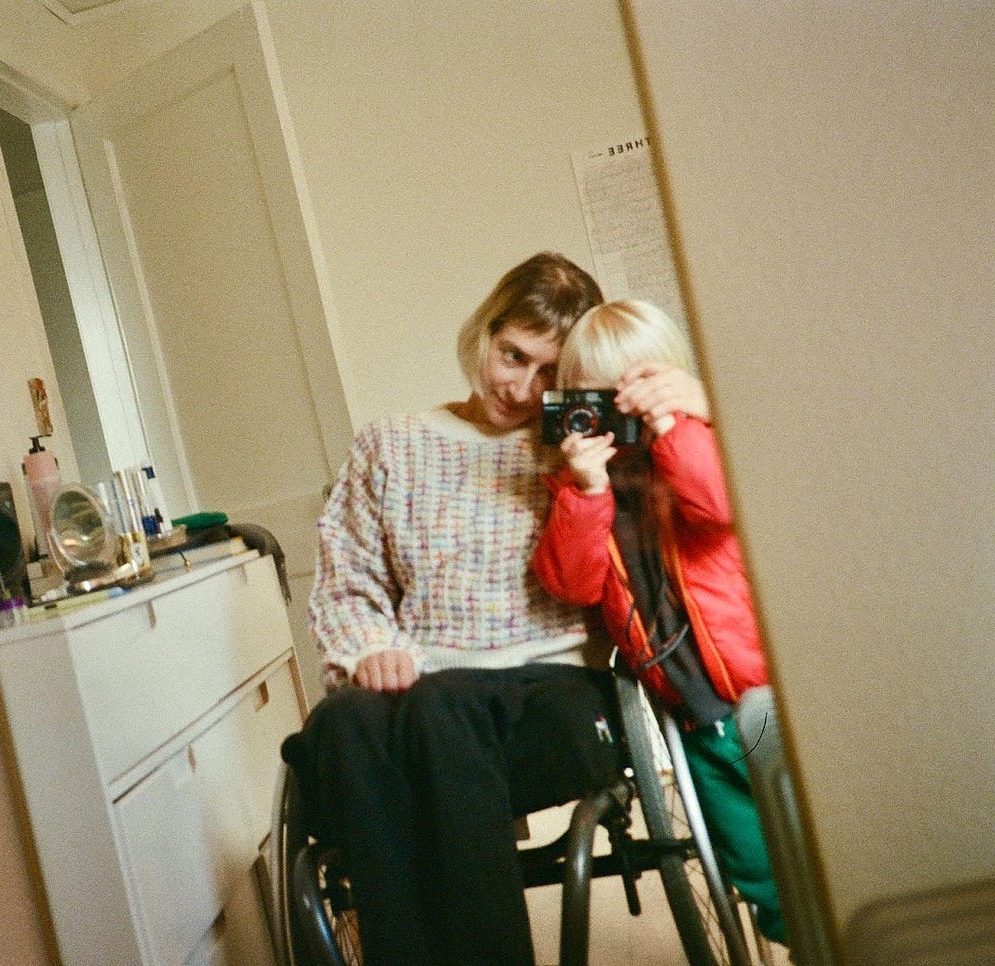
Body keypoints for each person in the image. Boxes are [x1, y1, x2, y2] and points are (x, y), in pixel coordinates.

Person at [280, 252, 620, 965]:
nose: (521, 388)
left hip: (546, 688)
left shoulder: (578, 451)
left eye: (548, 374)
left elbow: (596, 580)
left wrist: (589, 476)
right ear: (487, 331)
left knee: (436, 711)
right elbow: (349, 579)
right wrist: (371, 646)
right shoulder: (391, 445)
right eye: (512, 355)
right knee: (340, 726)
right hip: (427, 680)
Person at [530, 298, 787, 945]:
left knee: (805, 837)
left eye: (636, 390)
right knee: (751, 862)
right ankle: (797, 940)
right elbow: (569, 582)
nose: (624, 410)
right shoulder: (580, 487)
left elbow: (716, 503)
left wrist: (675, 421)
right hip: (695, 719)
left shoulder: (697, 444)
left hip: (759, 702)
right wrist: (585, 492)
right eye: (600, 396)